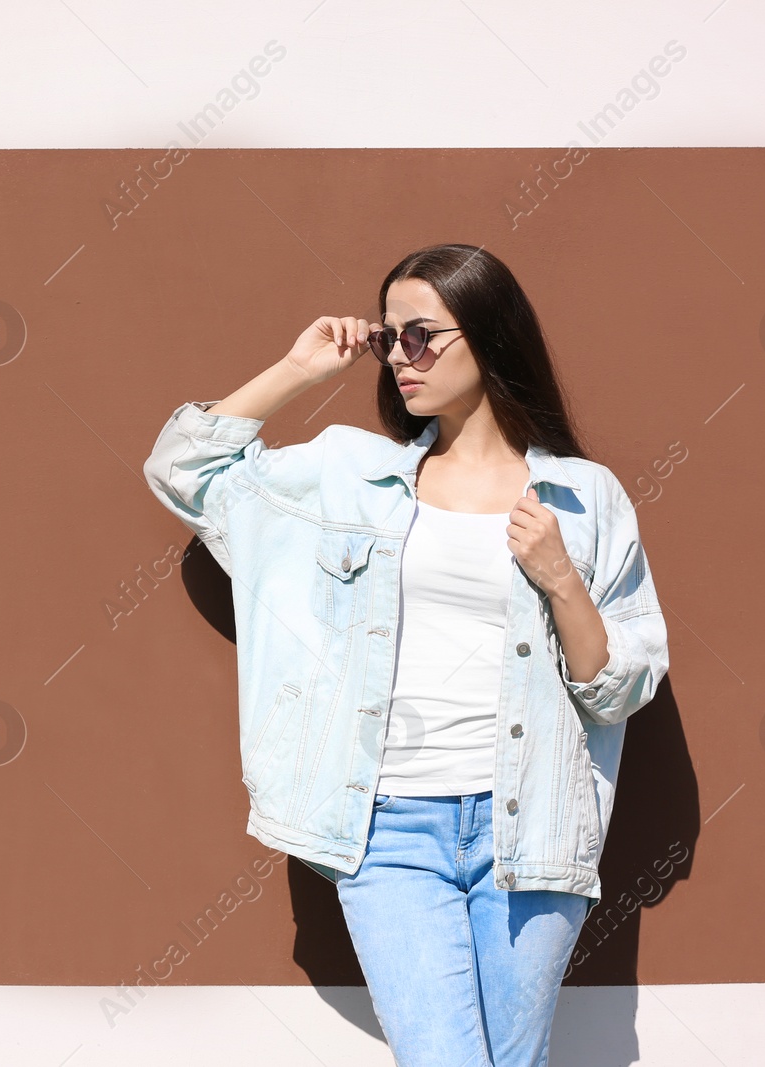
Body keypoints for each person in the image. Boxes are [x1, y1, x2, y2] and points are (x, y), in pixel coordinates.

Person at [142, 244, 669, 1066]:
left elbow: (617, 688)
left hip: (528, 826)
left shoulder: (582, 496)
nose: (398, 356)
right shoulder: (351, 478)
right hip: (389, 826)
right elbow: (185, 467)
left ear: (488, 336)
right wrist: (296, 368)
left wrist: (562, 577)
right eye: (390, 337)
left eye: (421, 334)